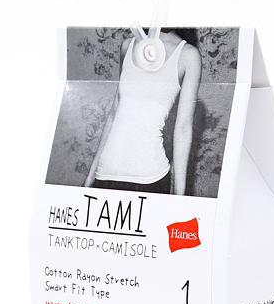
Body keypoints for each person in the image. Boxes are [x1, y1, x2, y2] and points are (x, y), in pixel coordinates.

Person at [84, 30, 202, 195]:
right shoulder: (128, 45)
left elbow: (183, 128)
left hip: (151, 180)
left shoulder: (188, 55)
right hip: (106, 174)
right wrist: (90, 177)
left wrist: (179, 195)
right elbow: (115, 113)